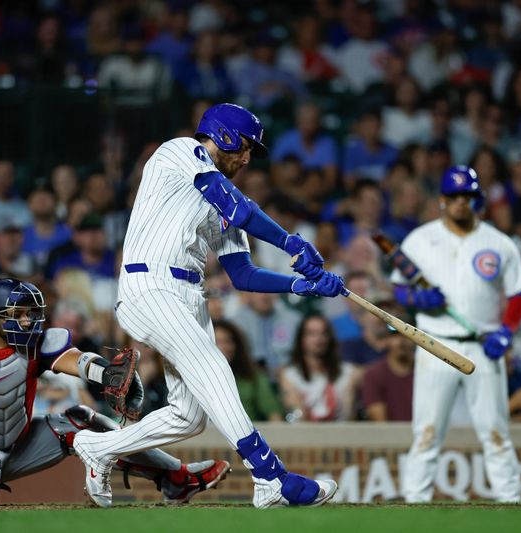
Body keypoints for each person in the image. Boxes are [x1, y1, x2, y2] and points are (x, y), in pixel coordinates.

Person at [72, 103, 344, 508]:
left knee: (189, 415)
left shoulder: (227, 200)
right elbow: (237, 206)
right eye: (245, 146)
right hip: (150, 284)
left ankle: (100, 448)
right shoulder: (180, 151)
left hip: (188, 295)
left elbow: (243, 275)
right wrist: (291, 241)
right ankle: (270, 477)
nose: (248, 157)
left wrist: (301, 286)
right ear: (224, 135)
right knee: (213, 366)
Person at [0, 278, 230, 507]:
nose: (28, 321)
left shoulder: (35, 342)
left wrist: (103, 372)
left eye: (30, 313)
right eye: (17, 314)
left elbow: (71, 357)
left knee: (84, 422)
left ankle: (175, 479)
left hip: (14, 443)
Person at [392, 166, 521, 503]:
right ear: (442, 200)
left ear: (477, 200)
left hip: (483, 347)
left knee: (496, 433)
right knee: (426, 434)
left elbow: (520, 295)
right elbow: (399, 291)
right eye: (453, 196)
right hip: (434, 343)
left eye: (466, 196)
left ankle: (510, 502)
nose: (459, 202)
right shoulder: (420, 239)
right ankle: (415, 503)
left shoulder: (498, 243)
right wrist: (419, 299)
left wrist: (506, 333)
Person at [280, 315, 354, 422]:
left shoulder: (347, 372)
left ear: (330, 338)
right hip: (305, 434)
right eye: (311, 333)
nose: (318, 339)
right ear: (301, 339)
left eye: (323, 333)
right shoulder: (290, 375)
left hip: (341, 434)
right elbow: (297, 416)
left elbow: (348, 416)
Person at [213, 320, 283, 423]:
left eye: (227, 342)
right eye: (216, 342)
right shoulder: (190, 379)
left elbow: (274, 416)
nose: (222, 347)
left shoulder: (254, 378)